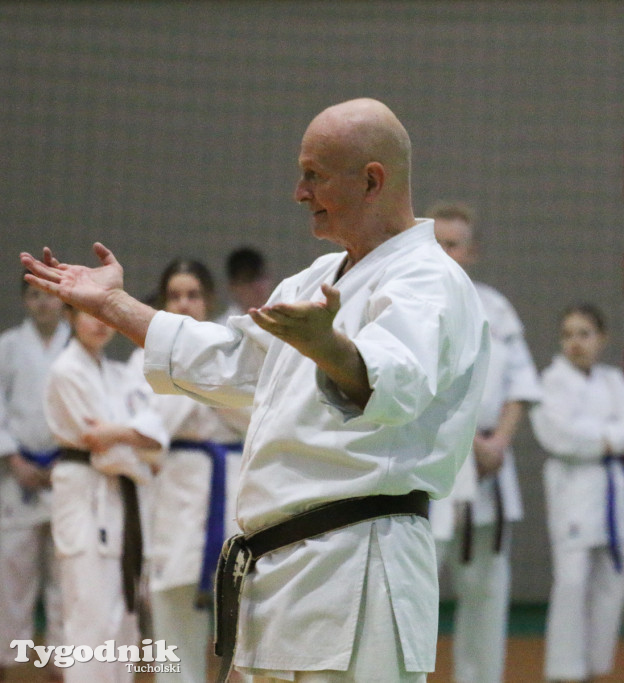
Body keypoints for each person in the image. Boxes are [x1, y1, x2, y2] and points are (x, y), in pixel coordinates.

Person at [22, 97, 490, 683]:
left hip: (361, 569)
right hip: (280, 570)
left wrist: (330, 347)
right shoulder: (318, 277)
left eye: (314, 175)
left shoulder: (431, 281)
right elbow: (229, 359)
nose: (299, 191)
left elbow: (391, 382)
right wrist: (115, 306)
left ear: (372, 181)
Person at [427, 201, 542, 683]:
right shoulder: (408, 304)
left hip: (491, 467)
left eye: (455, 244)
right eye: (438, 244)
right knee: (414, 590)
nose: (447, 253)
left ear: (471, 251)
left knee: (487, 590)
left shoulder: (495, 307)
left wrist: (498, 442)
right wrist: (468, 439)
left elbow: (521, 383)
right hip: (431, 465)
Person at [131, 259, 249, 683]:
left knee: (246, 628)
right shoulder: (143, 357)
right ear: (163, 303)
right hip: (175, 492)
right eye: (175, 296)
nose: (184, 304)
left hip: (233, 488)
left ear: (209, 300)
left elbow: (253, 417)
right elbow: (146, 428)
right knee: (174, 623)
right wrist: (198, 379)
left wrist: (193, 373)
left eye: (193, 295)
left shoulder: (234, 349)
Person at [44, 306, 167, 683]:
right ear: (68, 317)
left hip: (119, 498)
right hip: (84, 494)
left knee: (121, 622)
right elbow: (106, 452)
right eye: (87, 314)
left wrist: (125, 440)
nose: (99, 322)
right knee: (89, 619)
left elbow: (154, 438)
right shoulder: (67, 370)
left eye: (103, 314)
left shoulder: (115, 374)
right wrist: (142, 460)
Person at [531, 304, 624, 683]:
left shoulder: (614, 381)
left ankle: (597, 668)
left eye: (584, 334)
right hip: (574, 487)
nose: (575, 342)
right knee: (572, 582)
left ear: (602, 339)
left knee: (612, 584)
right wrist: (609, 435)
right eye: (568, 334)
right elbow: (559, 435)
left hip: (615, 487)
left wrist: (598, 435)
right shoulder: (550, 381)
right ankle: (565, 673)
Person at [0, 279, 70, 682]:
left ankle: (60, 667)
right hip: (18, 475)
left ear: (64, 301)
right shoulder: (9, 345)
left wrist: (72, 460)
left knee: (64, 575)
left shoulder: (77, 343)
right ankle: (10, 663)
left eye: (51, 295)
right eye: (35, 295)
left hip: (66, 473)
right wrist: (12, 457)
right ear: (25, 301)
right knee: (14, 573)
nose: (44, 303)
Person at [217, 246, 272, 322]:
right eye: (249, 279)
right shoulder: (223, 328)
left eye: (260, 277)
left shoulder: (280, 320)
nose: (257, 285)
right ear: (233, 286)